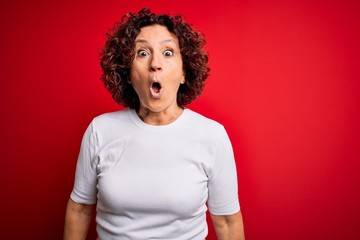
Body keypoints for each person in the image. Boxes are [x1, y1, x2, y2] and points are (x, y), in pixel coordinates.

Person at [64, 8, 245, 240]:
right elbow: (79, 209)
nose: (155, 64)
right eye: (142, 53)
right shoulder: (100, 131)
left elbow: (228, 223)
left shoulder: (212, 136)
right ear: (127, 73)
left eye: (168, 52)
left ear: (183, 73)